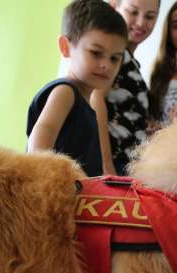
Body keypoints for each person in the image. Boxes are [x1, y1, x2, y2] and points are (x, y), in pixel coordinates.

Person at [27, 0, 127, 177]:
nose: (106, 65)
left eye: (115, 58)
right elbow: (44, 131)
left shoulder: (86, 103)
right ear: (66, 47)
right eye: (96, 53)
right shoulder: (65, 92)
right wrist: (41, 178)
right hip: (51, 192)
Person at [90, 0, 161, 175]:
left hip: (128, 165)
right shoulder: (114, 55)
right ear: (114, 5)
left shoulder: (131, 61)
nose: (141, 22)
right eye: (133, 12)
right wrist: (106, 166)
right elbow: (95, 98)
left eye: (150, 16)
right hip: (113, 164)